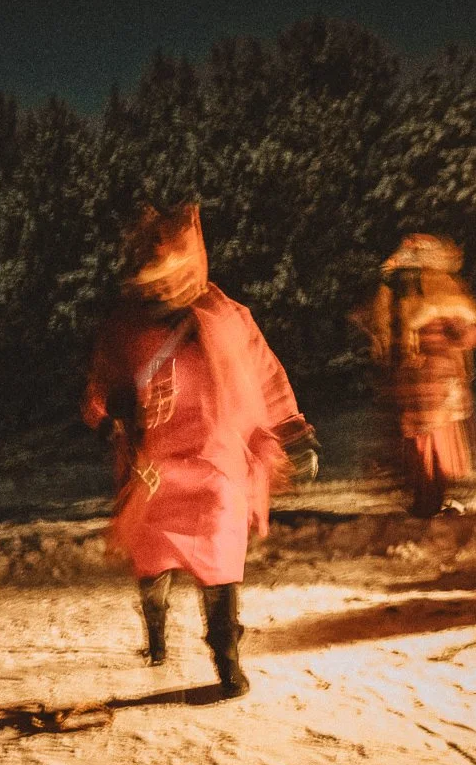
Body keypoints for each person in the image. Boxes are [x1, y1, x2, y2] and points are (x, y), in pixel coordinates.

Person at [83, 204, 314, 694]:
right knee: (152, 558)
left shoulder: (226, 317)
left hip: (217, 463)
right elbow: (99, 386)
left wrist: (293, 431)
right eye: (150, 282)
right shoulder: (124, 329)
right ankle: (156, 631)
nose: (159, 289)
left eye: (167, 278)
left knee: (220, 557)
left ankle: (227, 660)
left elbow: (266, 375)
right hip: (154, 472)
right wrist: (107, 416)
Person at [353, 234, 476, 518]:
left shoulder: (393, 289)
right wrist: (471, 325)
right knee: (436, 443)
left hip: (406, 380)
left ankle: (425, 499)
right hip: (437, 381)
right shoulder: (441, 288)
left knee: (419, 443)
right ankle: (431, 501)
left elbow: (378, 330)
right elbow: (465, 334)